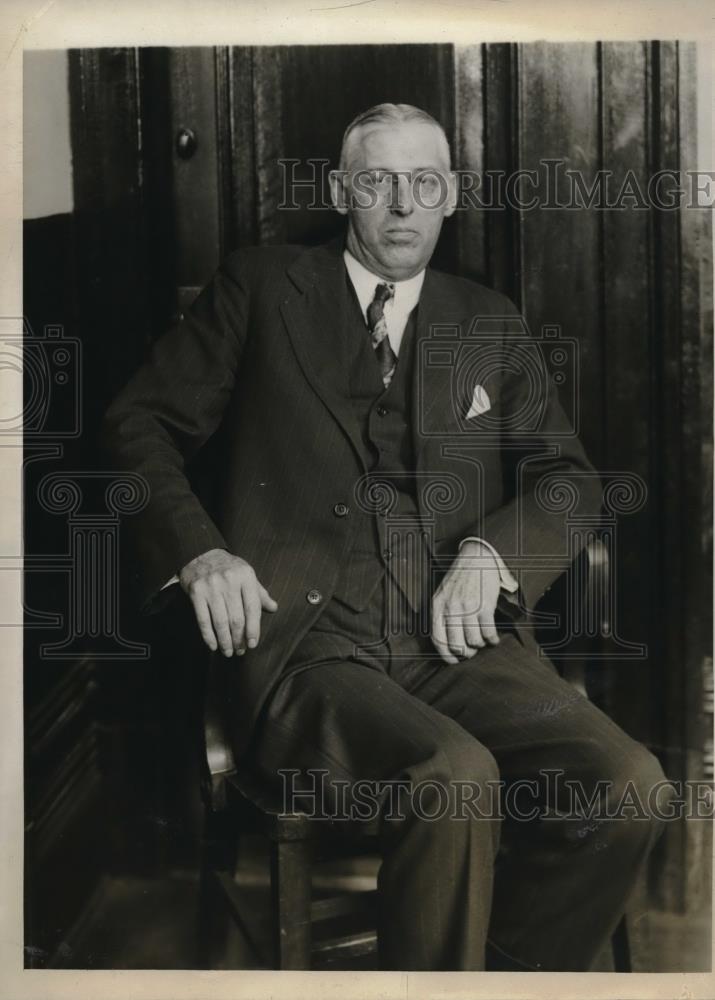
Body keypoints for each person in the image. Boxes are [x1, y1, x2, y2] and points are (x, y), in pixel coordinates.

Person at [103, 102, 666, 971]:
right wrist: (198, 550)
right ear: (342, 191)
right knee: (453, 776)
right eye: (377, 180)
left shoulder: (487, 319)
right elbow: (135, 425)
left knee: (632, 786)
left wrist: (492, 554)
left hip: (460, 646)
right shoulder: (260, 287)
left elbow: (569, 479)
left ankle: (500, 977)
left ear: (451, 198)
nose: (402, 203)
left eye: (424, 183)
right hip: (310, 650)